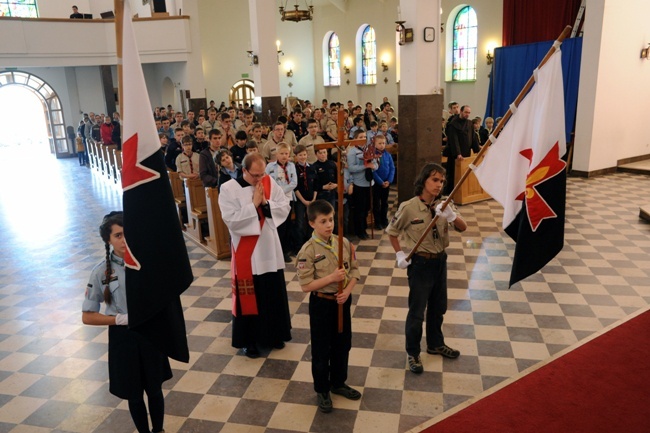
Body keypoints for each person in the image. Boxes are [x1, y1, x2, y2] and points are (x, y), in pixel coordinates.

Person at [82, 212, 171, 433]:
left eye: (127, 234)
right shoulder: (101, 272)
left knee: (154, 388)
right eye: (118, 235)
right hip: (123, 337)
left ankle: (159, 430)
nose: (124, 240)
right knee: (134, 393)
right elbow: (88, 315)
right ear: (108, 240)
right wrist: (118, 319)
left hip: (150, 333)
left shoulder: (147, 262)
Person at [386, 163, 467, 374]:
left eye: (441, 181)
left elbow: (463, 227)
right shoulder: (409, 207)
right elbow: (392, 231)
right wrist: (399, 254)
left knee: (438, 306)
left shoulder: (444, 204)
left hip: (440, 261)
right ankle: (413, 352)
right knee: (417, 311)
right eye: (434, 180)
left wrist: (450, 215)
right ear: (423, 181)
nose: (439, 185)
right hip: (420, 264)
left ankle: (435, 344)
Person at [218, 153, 292, 358]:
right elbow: (231, 220)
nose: (260, 179)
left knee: (272, 291)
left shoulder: (268, 181)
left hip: (269, 248)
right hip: (247, 253)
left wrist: (266, 205)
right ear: (244, 171)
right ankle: (249, 341)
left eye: (262, 174)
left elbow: (284, 205)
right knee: (251, 296)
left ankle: (275, 334)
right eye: (255, 175)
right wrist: (254, 204)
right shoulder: (228, 189)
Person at [296, 200, 361, 413]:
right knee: (322, 348)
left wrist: (348, 290)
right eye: (323, 221)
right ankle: (322, 389)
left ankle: (338, 382)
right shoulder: (308, 250)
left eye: (331, 219)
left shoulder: (343, 243)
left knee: (343, 343)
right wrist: (332, 278)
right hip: (322, 303)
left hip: (342, 300)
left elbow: (354, 272)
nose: (329, 225)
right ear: (312, 223)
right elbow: (306, 286)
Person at [265, 143, 298, 262]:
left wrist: (281, 192)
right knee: (278, 226)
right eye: (282, 153)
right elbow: (266, 181)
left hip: (288, 199)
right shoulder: (270, 166)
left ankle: (284, 251)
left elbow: (294, 183)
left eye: (286, 154)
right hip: (275, 201)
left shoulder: (291, 166)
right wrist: (277, 194)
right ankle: (275, 251)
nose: (284, 156)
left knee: (288, 225)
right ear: (276, 154)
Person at [444, 105, 480, 195]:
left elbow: (473, 138)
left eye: (469, 113)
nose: (467, 114)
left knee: (464, 175)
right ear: (461, 111)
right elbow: (453, 140)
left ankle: (462, 194)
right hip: (455, 155)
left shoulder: (469, 123)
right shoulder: (453, 124)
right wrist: (458, 153)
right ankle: (449, 195)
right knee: (452, 175)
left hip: (466, 153)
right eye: (466, 112)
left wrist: (478, 150)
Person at [371, 135, 394, 229]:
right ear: (374, 144)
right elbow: (373, 171)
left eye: (383, 143)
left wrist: (389, 180)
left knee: (385, 203)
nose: (382, 145)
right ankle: (378, 222)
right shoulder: (372, 155)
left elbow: (392, 168)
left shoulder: (387, 155)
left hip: (386, 182)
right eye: (379, 143)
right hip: (377, 183)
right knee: (376, 203)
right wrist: (381, 182)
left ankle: (384, 220)